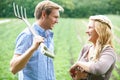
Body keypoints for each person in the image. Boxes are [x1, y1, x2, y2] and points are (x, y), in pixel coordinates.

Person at [10, 1, 64, 80]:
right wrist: (33, 48)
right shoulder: (27, 35)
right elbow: (13, 68)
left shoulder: (48, 35)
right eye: (55, 17)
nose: (57, 21)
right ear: (44, 14)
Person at [69, 15, 116, 80]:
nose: (86, 31)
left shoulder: (108, 51)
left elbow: (99, 69)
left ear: (100, 30)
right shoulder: (86, 49)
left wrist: (78, 63)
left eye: (90, 28)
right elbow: (76, 74)